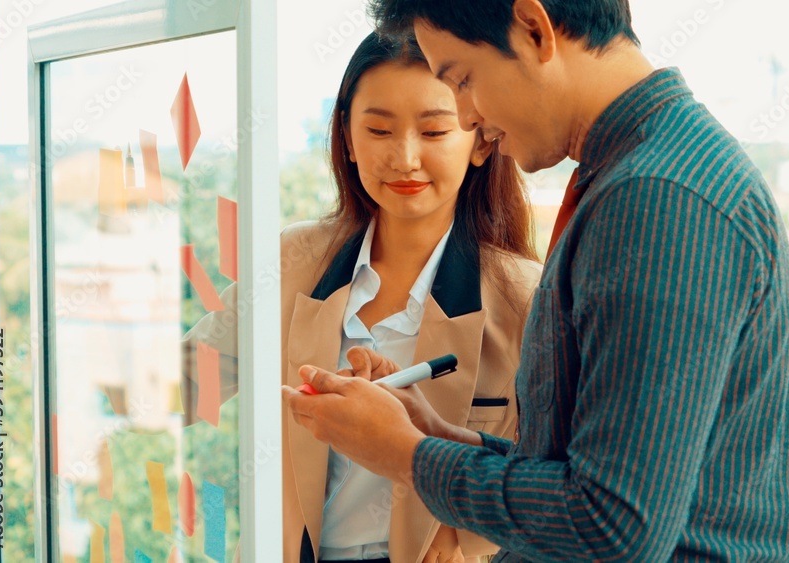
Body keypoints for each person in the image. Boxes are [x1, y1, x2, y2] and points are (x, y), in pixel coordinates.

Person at [283, 0, 789, 561]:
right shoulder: (638, 175)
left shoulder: (658, 198)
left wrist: (406, 454)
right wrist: (432, 436)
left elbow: (614, 529)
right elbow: (585, 479)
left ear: (534, 29)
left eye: (463, 80)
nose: (466, 117)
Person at [186, 32, 541, 563]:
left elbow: (547, 482)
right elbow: (190, 382)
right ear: (348, 140)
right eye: (378, 129)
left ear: (481, 140)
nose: (404, 157)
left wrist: (463, 534)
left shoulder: (525, 296)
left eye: (434, 130)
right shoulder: (292, 260)